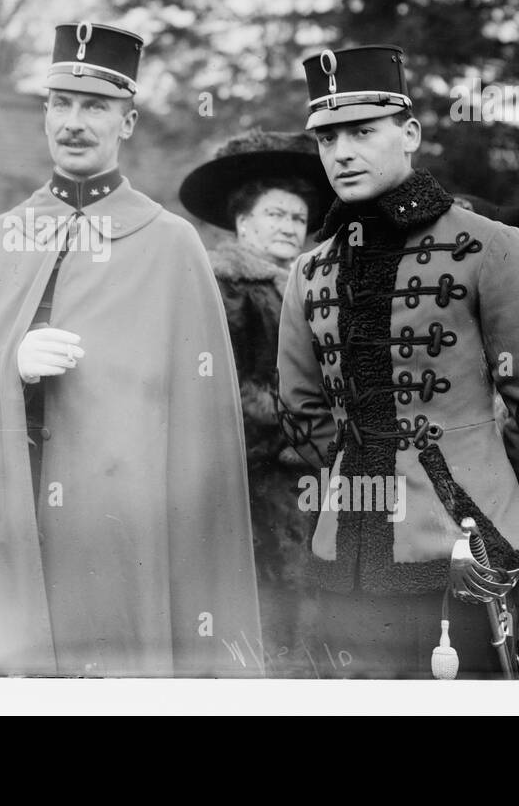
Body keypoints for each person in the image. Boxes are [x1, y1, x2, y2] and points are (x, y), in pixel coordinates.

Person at [0, 23, 261, 676]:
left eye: (95, 106)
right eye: (61, 103)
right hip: (1, 529)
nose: (74, 121)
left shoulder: (171, 246)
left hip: (117, 543)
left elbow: (200, 441)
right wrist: (6, 366)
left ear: (127, 120)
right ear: (43, 113)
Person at [275, 45, 519, 678]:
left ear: (411, 133)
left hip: (465, 551)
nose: (342, 152)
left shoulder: (492, 246)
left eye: (363, 132)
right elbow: (300, 406)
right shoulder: (309, 270)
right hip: (345, 553)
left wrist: (510, 506)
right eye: (327, 137)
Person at [178, 129, 332, 673]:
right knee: (268, 588)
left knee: (307, 589)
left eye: (297, 218)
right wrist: (300, 426)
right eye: (276, 215)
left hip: (305, 466)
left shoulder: (306, 287)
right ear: (244, 224)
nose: (290, 226)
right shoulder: (230, 285)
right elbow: (224, 380)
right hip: (252, 466)